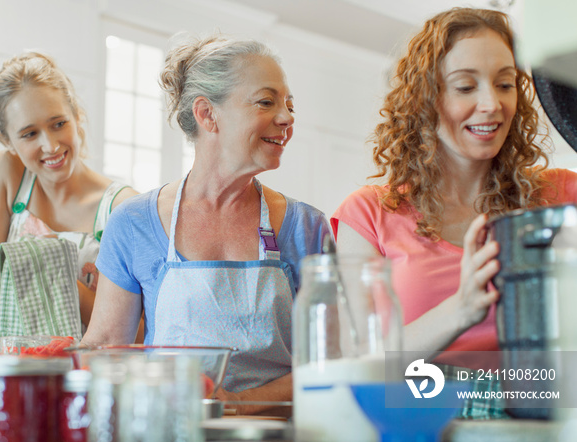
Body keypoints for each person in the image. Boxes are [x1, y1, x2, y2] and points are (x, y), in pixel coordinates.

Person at [330, 8, 577, 417]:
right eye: (465, 87)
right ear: (425, 98)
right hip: (423, 429)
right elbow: (360, 362)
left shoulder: (562, 195)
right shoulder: (369, 213)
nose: (491, 104)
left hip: (546, 425)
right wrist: (460, 309)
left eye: (505, 84)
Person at [81, 35, 329, 414]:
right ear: (207, 114)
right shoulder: (133, 223)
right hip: (170, 433)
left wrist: (241, 404)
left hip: (280, 440)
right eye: (267, 101)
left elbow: (333, 359)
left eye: (289, 104)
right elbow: (104, 349)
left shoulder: (307, 227)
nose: (287, 118)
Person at [0, 52, 138, 359]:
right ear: (7, 140)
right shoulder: (9, 175)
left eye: (58, 124)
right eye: (30, 134)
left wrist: (55, 276)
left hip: (83, 382)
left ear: (76, 114)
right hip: (13, 377)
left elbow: (138, 330)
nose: (51, 145)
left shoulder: (121, 207)